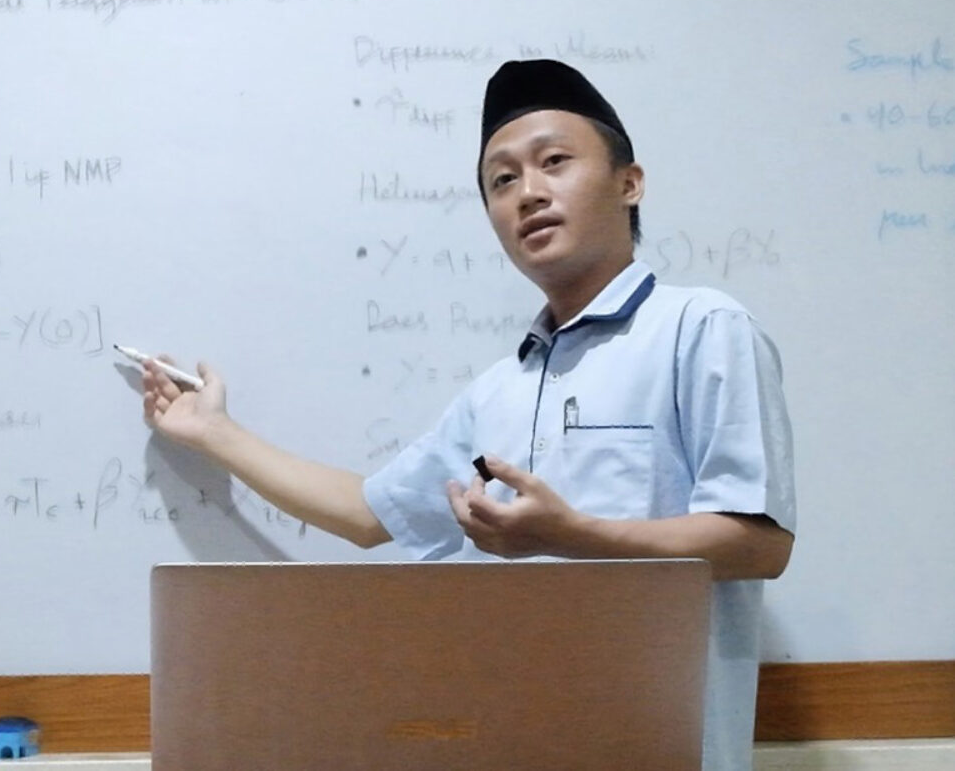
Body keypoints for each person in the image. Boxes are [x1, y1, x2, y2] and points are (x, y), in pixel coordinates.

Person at [139, 59, 796, 771]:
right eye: (502, 181)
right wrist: (215, 433)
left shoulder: (701, 328)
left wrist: (572, 535)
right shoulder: (499, 392)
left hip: (660, 750)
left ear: (628, 183)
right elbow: (367, 514)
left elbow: (759, 543)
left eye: (554, 162)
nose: (529, 193)